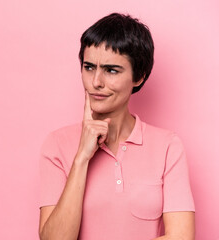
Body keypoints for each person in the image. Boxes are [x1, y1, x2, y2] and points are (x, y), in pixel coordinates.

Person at [38, 13, 195, 240]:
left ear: (139, 76)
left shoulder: (168, 147)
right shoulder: (56, 144)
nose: (96, 82)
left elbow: (181, 237)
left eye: (112, 70)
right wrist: (82, 157)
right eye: (89, 67)